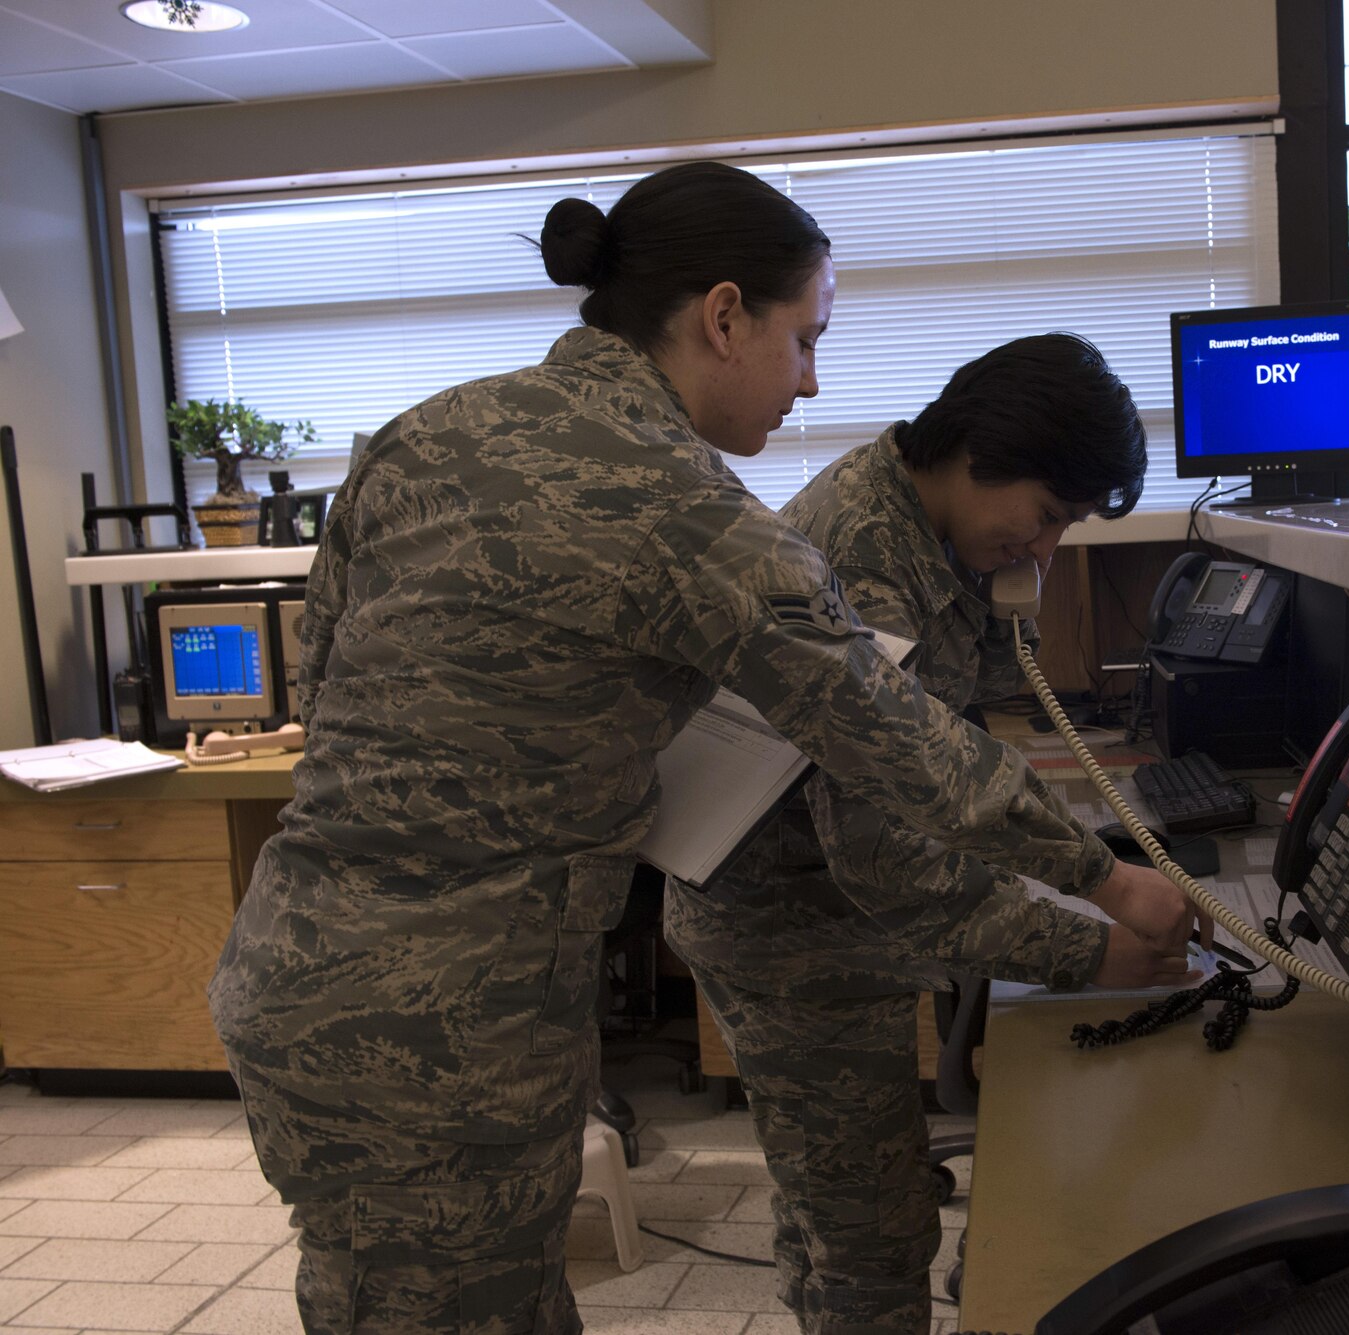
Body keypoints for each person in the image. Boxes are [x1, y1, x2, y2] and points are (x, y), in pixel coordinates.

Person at [207, 163, 1197, 1335]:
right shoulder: (680, 507)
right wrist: (1102, 876)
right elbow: (890, 737)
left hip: (294, 967)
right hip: (447, 1021)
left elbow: (324, 689)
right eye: (803, 338)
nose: (811, 380)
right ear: (724, 318)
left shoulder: (420, 435)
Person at [666, 333, 1197, 1335]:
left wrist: (1083, 871)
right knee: (874, 1241)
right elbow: (881, 851)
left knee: (831, 1209)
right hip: (795, 936)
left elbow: (955, 748)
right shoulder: (867, 562)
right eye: (1045, 517)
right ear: (978, 453)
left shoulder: (931, 530)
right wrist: (1092, 944)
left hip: (826, 910)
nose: (1045, 550)